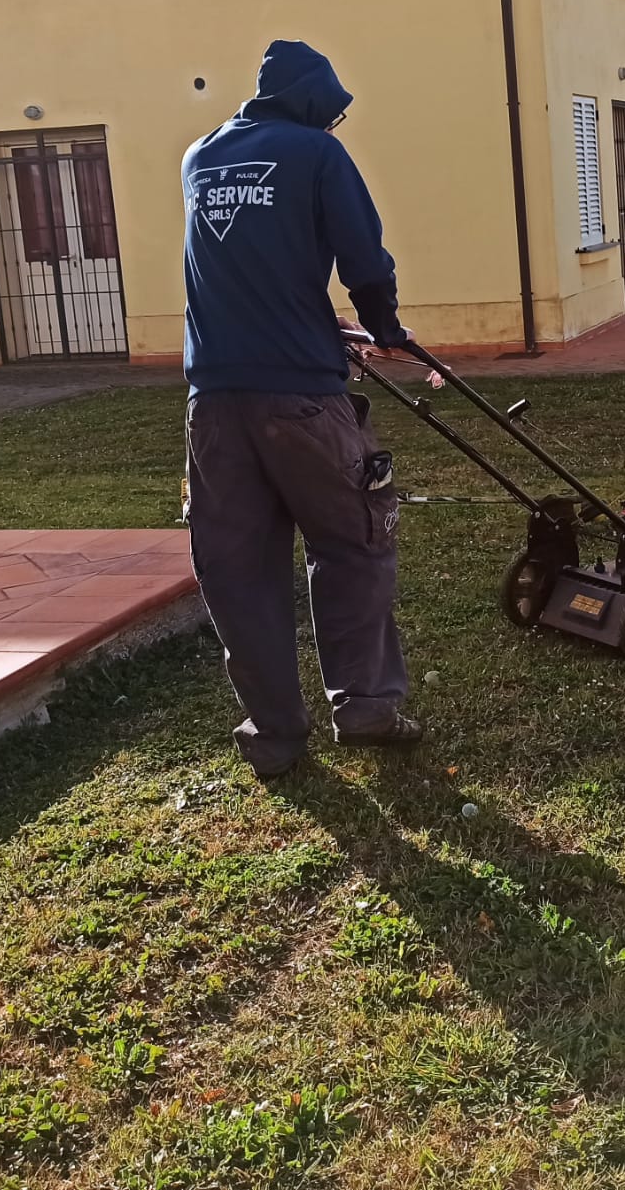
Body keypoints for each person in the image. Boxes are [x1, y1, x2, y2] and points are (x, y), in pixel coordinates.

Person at [182, 39, 424, 780]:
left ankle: (276, 733)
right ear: (314, 97)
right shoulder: (318, 156)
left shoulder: (200, 156)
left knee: (239, 569)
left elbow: (255, 266)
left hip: (214, 403)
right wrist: (385, 330)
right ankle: (367, 708)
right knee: (351, 542)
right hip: (302, 400)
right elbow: (364, 260)